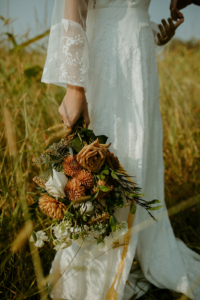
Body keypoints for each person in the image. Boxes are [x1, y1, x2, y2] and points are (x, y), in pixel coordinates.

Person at [41, 1, 200, 299]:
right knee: (106, 155)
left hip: (139, 56)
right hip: (107, 56)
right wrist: (75, 87)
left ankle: (135, 247)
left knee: (141, 151)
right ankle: (98, 261)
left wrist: (155, 33)